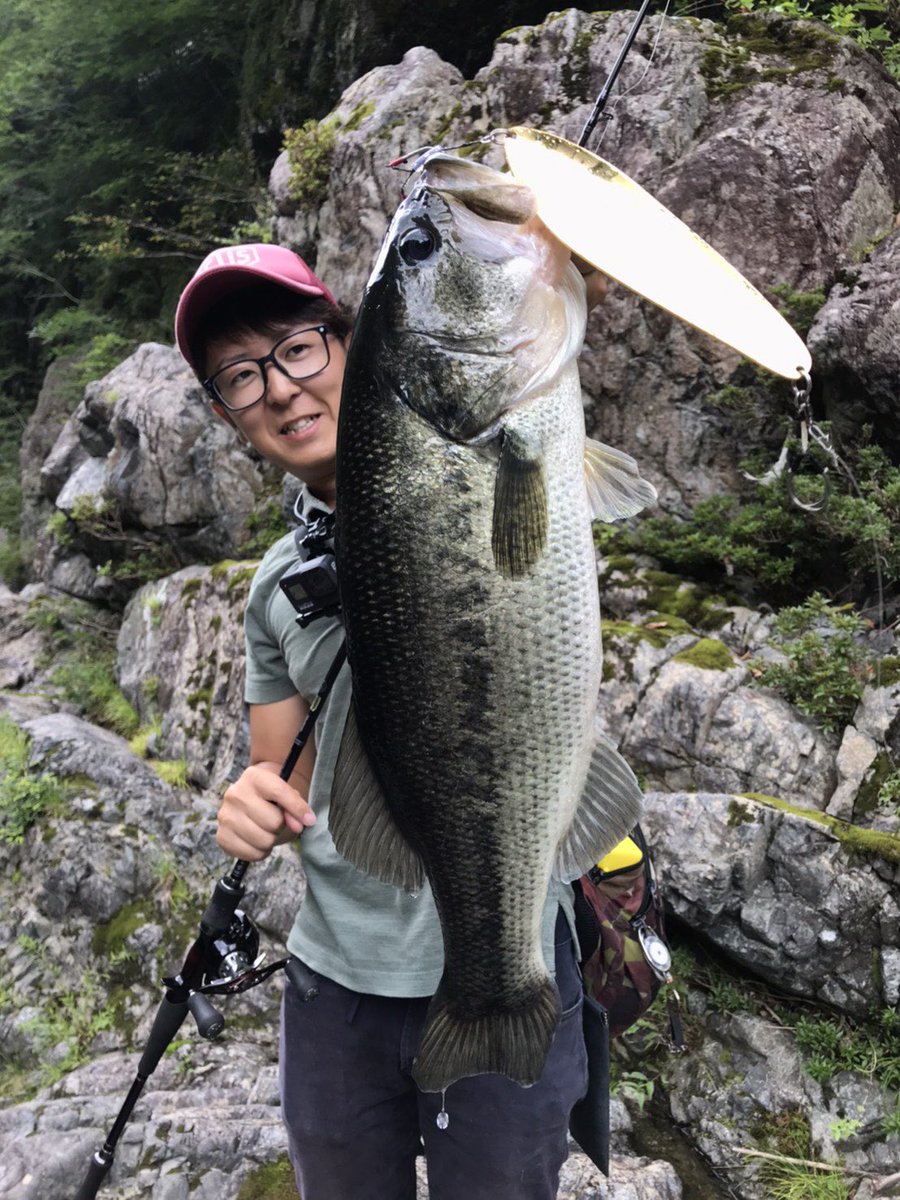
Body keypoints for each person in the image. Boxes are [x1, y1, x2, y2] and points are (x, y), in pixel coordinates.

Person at [174, 241, 608, 1200]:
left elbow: (542, 323)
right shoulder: (275, 588)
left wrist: (538, 269)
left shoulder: (503, 452)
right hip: (337, 987)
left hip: (514, 957)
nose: (280, 390)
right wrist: (253, 802)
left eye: (296, 349)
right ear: (224, 412)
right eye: (241, 377)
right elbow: (283, 775)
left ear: (351, 343)